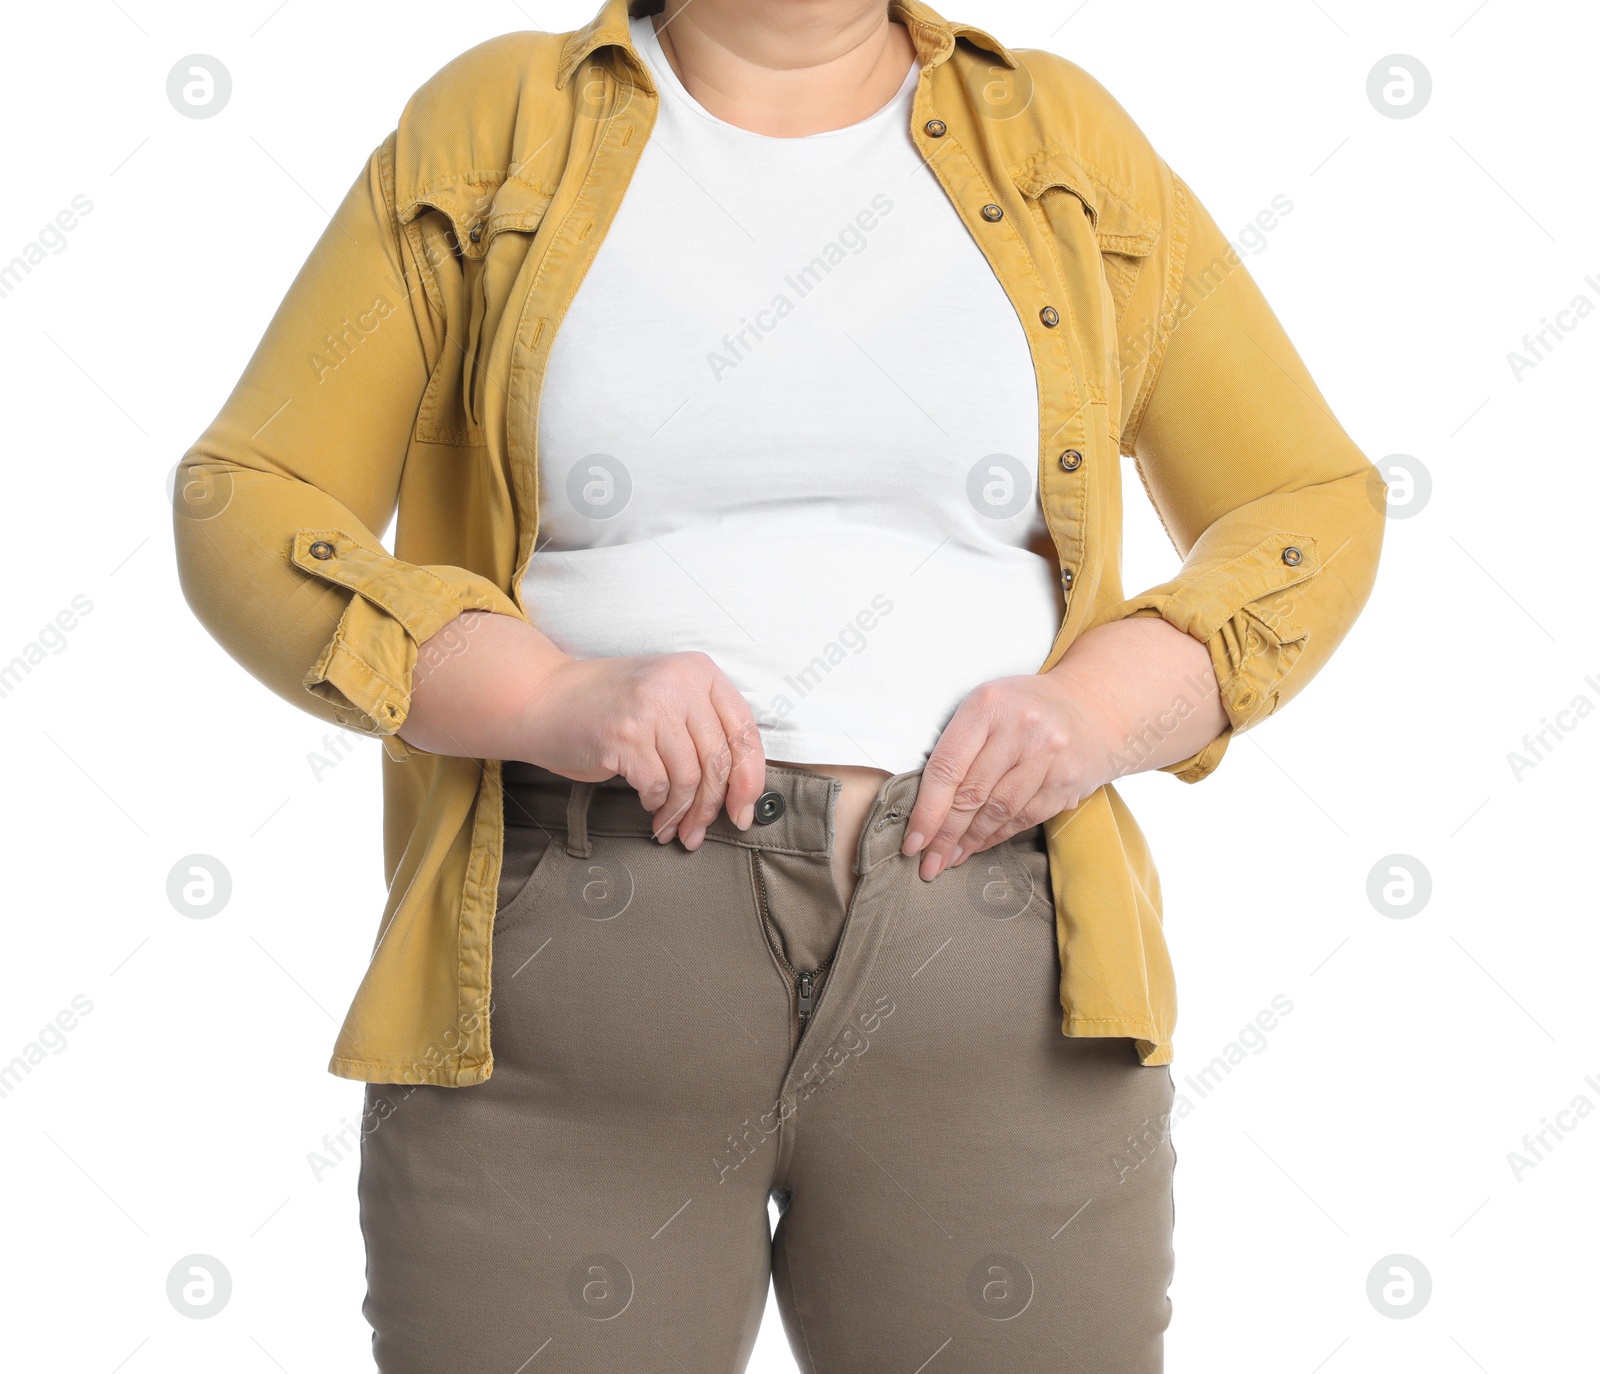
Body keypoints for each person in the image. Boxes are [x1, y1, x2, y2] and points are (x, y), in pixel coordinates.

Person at [173, 0, 1385, 1368]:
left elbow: (1311, 503)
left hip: (999, 976)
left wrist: (1101, 710)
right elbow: (246, 496)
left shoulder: (1061, 140)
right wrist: (535, 691)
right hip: (567, 975)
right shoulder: (497, 124)